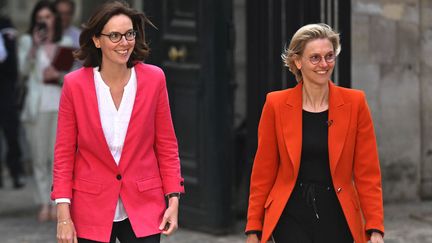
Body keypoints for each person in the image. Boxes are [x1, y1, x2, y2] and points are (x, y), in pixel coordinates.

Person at [51, 1, 184, 243]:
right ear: (96, 40)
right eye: (115, 35)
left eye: (129, 33)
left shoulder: (154, 80)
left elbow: (166, 146)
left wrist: (173, 199)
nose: (125, 43)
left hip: (144, 205)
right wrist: (63, 215)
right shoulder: (74, 85)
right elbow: (64, 153)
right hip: (90, 208)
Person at [245, 23, 384, 243]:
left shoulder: (355, 103)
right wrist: (254, 227)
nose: (324, 64)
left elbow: (368, 173)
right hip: (290, 214)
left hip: (338, 213)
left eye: (329, 56)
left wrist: (375, 227)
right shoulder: (276, 104)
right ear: (297, 62)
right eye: (315, 58)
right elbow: (263, 171)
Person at [18, 0, 73, 221]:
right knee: (39, 157)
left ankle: (56, 202)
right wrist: (33, 46)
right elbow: (22, 71)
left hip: (60, 105)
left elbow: (70, 76)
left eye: (48, 17)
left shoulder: (66, 41)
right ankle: (43, 201)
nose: (44, 21)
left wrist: (57, 76)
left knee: (57, 157)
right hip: (37, 106)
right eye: (40, 18)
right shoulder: (26, 41)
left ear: (55, 20)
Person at [0, 14, 25, 189]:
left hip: (5, 86)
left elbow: (10, 59)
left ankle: (16, 170)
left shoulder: (5, 23)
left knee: (11, 131)